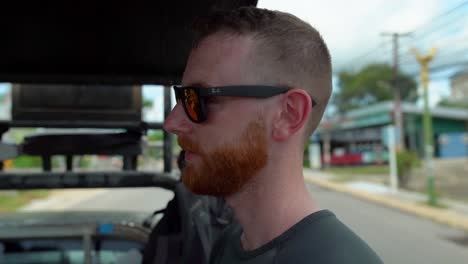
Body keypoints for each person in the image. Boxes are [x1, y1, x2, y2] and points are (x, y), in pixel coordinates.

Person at [163, 6, 383, 264]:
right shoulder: (230, 243)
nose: (172, 122)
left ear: (288, 114)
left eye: (198, 99)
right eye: (182, 97)